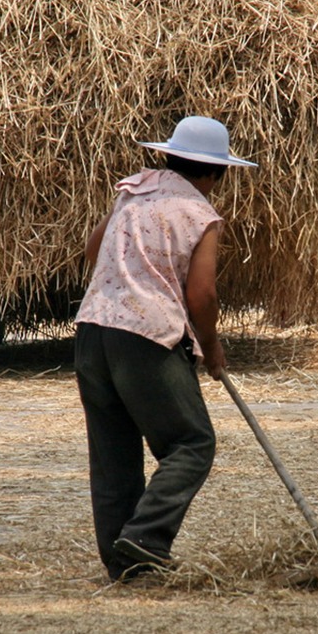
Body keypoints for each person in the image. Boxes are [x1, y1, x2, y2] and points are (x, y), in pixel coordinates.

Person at [74, 116, 256, 582]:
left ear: (169, 157)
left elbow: (94, 250)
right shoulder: (201, 214)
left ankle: (125, 564)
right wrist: (212, 348)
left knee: (113, 454)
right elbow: (203, 296)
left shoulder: (134, 190)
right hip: (147, 336)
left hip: (94, 329)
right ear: (217, 173)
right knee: (192, 442)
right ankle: (145, 539)